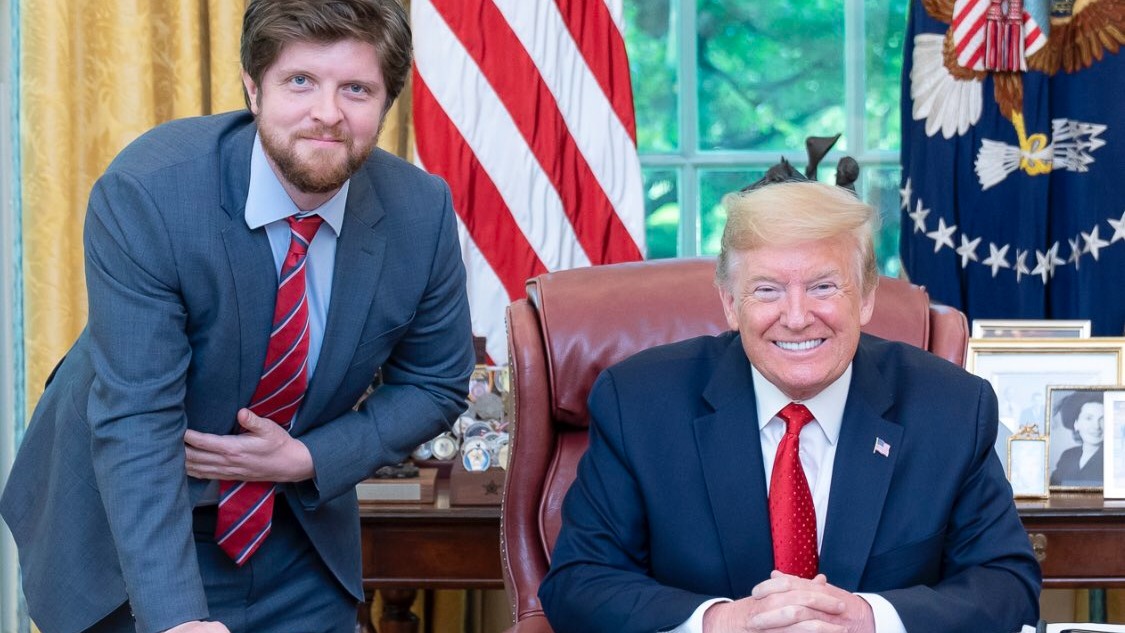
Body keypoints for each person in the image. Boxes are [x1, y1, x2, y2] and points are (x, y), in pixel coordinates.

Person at [0, 1, 474, 632]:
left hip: (296, 533)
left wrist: (307, 457)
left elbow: (435, 382)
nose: (327, 113)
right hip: (126, 537)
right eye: (300, 81)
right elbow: (136, 418)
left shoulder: (422, 212)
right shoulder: (152, 192)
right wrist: (177, 620)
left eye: (356, 89)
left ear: (386, 104)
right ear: (253, 88)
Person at [538, 180, 1040, 633]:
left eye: (823, 286)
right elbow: (579, 583)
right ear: (730, 304)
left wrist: (869, 618)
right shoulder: (640, 404)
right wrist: (720, 622)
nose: (797, 318)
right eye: (767, 290)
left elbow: (1006, 583)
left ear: (865, 297)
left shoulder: (950, 407)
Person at [1049, 391, 1105, 487]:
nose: (1096, 426)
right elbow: (1052, 488)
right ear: (1076, 424)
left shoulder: (1112, 459)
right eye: (1088, 418)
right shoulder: (1068, 456)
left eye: (1102, 419)